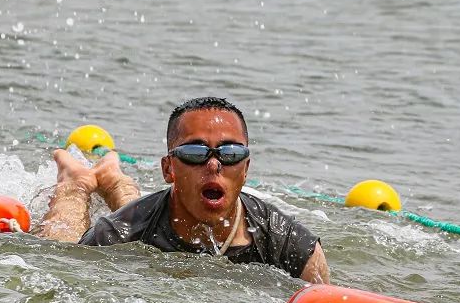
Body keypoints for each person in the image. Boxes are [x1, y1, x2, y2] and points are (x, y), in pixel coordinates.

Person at [37, 97, 330, 283]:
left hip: (149, 215)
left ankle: (114, 179)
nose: (214, 164)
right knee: (63, 241)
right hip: (135, 221)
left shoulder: (290, 245)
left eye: (229, 153)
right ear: (168, 170)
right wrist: (73, 194)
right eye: (194, 152)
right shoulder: (114, 234)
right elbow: (59, 268)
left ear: (246, 168)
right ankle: (75, 180)